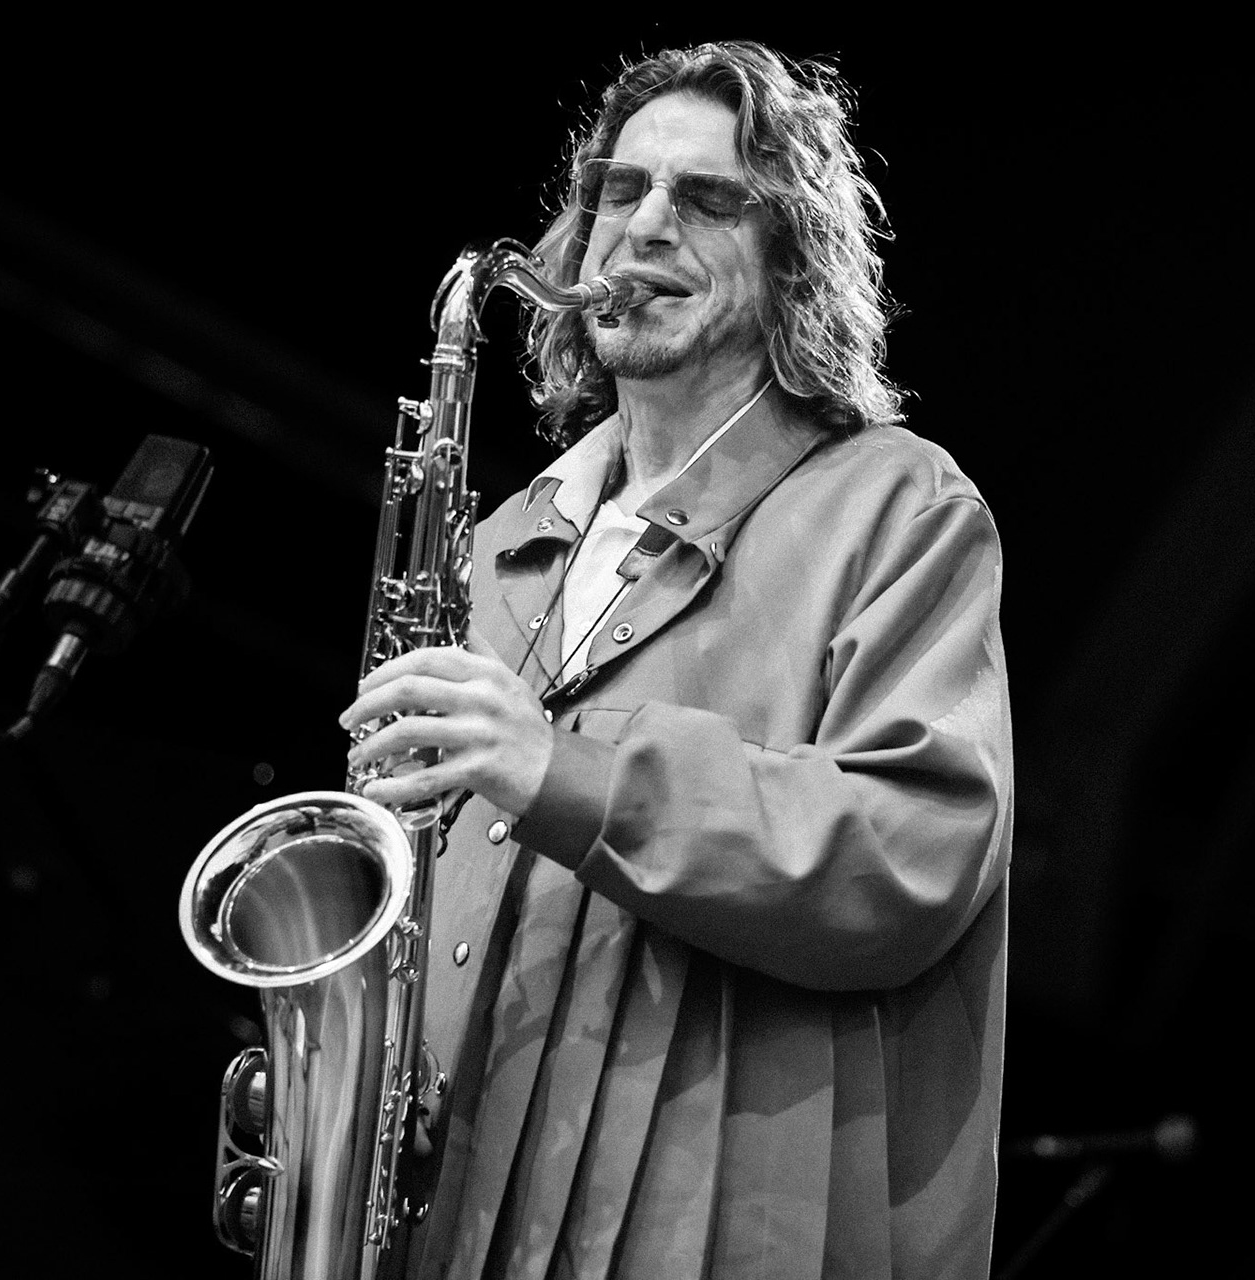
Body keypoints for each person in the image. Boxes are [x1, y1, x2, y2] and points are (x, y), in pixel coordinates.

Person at [339, 41, 1011, 1280]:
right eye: (618, 191)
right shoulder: (495, 547)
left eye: (706, 201)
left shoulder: (898, 506)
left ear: (792, 258)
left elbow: (910, 852)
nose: (642, 229)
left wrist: (565, 770)